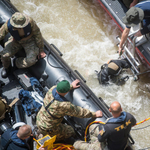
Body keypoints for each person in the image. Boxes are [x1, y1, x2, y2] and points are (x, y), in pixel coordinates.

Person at [36, 79, 103, 142]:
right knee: (71, 131)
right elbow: (79, 112)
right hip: (48, 129)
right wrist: (94, 114)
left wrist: (71, 86)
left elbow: (59, 88)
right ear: (66, 92)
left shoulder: (52, 89)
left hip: (39, 119)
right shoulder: (64, 105)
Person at [0, 12, 46, 78]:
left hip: (29, 41)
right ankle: (7, 67)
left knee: (31, 60)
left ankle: (16, 63)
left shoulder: (30, 22)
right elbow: (1, 34)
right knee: (4, 55)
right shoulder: (8, 24)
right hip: (16, 40)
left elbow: (37, 34)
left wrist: (41, 49)